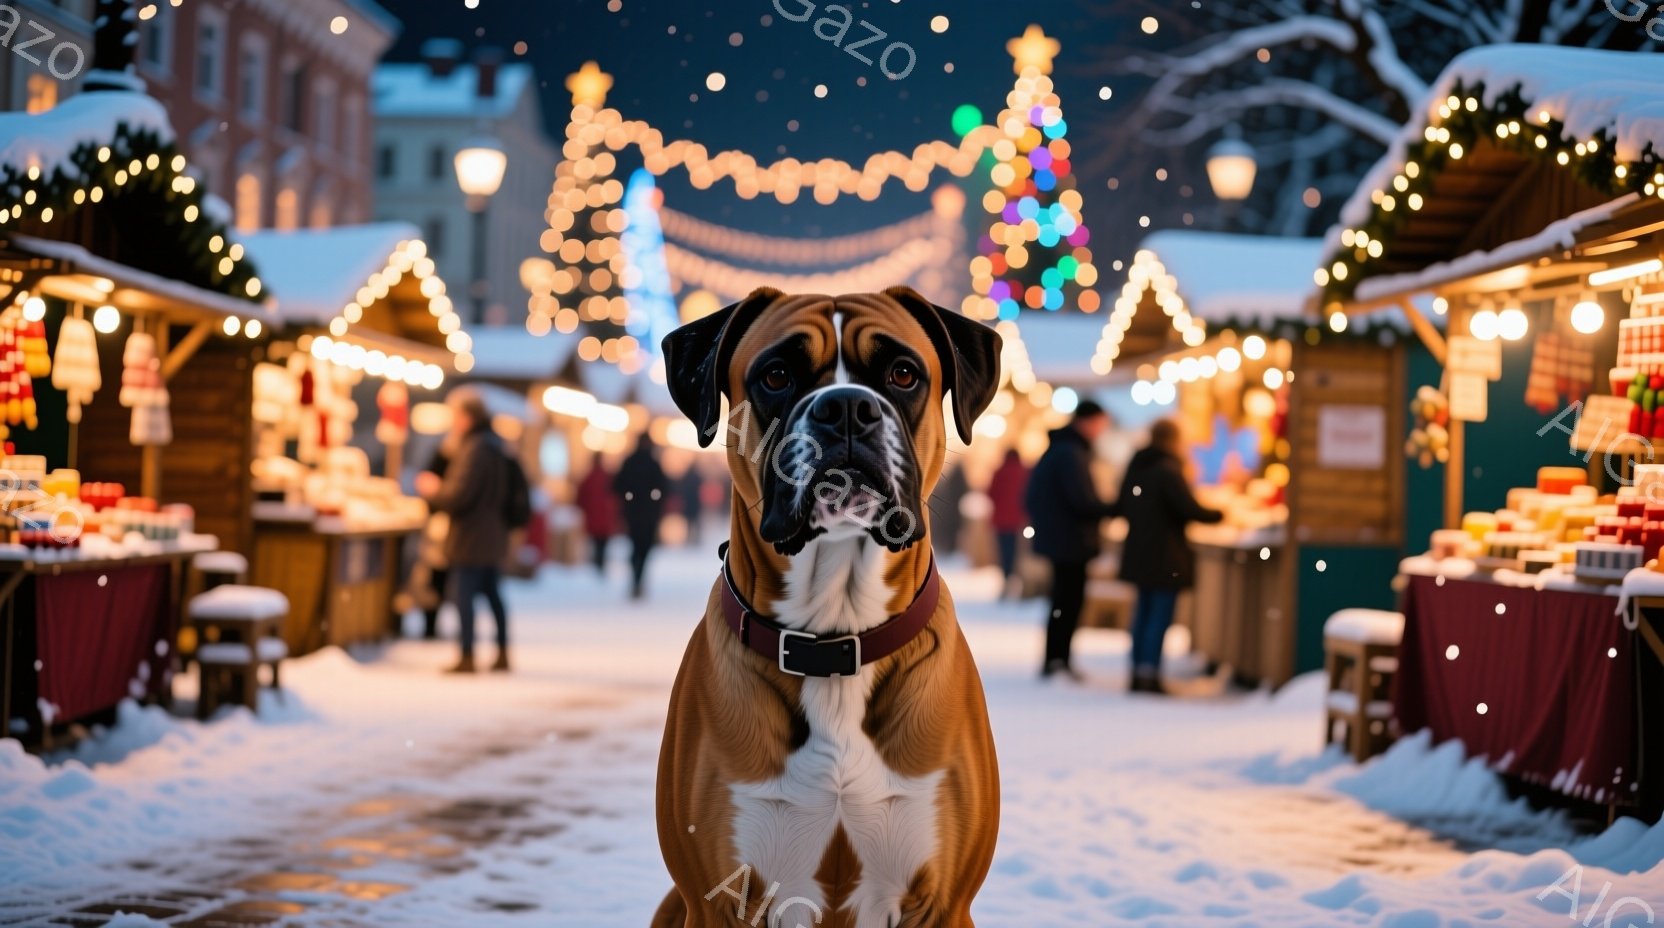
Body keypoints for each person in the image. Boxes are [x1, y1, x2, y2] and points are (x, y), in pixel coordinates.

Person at [1115, 419, 1224, 694]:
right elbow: (1188, 508)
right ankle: (1150, 673)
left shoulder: (1137, 466)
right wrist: (1220, 514)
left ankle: (1138, 670)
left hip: (1139, 550)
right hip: (1166, 554)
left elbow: (1122, 505)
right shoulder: (1168, 470)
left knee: (1143, 613)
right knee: (1159, 615)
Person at [416, 388, 512, 674]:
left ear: (466, 417)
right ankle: (502, 651)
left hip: (471, 536)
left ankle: (467, 654)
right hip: (491, 533)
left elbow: (460, 494)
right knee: (492, 595)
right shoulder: (494, 444)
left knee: (463, 595)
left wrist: (434, 492)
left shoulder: (475, 449)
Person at [1026, 401, 1118, 681]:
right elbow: (1081, 501)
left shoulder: (1063, 449)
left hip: (1063, 539)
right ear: (1087, 421)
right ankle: (1057, 661)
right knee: (1067, 602)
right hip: (1069, 541)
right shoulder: (1070, 453)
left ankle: (1057, 660)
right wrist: (1115, 507)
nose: (1102, 431)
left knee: (1063, 601)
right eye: (1101, 424)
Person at [614, 438, 669, 600]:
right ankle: (638, 578)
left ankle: (636, 577)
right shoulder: (653, 464)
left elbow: (617, 485)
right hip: (648, 514)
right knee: (644, 548)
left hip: (633, 513)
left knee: (636, 546)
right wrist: (655, 502)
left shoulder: (630, 462)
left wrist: (627, 499)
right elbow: (663, 488)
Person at [988, 448, 1031, 599]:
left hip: (1001, 521)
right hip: (1020, 521)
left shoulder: (999, 472)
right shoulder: (1025, 472)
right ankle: (1018, 583)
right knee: (1019, 553)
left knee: (1005, 552)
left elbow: (991, 493)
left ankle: (1007, 580)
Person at [576, 461, 620, 575]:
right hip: (605, 516)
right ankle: (599, 563)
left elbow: (581, 497)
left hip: (593, 516)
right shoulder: (607, 477)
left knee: (596, 542)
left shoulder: (589, 478)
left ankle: (597, 563)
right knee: (602, 542)